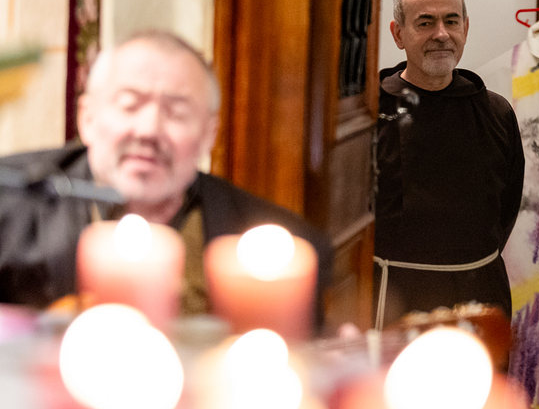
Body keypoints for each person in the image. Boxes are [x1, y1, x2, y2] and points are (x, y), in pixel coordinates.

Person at [0, 30, 332, 328]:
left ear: (209, 134)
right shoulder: (9, 204)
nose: (149, 130)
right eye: (130, 105)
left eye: (177, 113)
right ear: (87, 118)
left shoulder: (281, 252)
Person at [373, 0, 524, 330]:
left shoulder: (496, 112)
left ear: (465, 28)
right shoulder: (370, 113)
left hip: (480, 295)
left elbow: (506, 208)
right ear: (398, 34)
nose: (441, 34)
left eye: (451, 21)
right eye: (425, 23)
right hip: (396, 299)